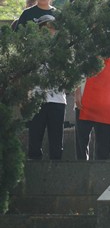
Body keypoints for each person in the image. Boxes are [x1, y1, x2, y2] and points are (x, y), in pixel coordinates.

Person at [27, 15, 67, 160]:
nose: (49, 31)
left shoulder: (65, 49)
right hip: (36, 98)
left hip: (57, 99)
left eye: (52, 27)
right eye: (45, 27)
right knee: (34, 141)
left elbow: (70, 74)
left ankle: (55, 170)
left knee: (56, 143)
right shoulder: (32, 49)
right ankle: (34, 171)